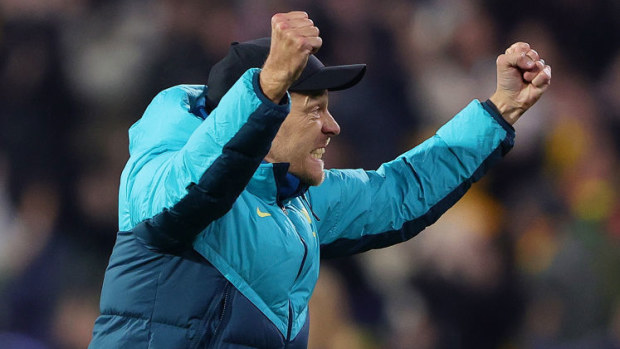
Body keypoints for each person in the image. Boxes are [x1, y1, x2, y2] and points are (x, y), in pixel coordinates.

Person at [89, 11, 551, 349]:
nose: (333, 127)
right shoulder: (151, 175)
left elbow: (397, 191)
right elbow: (190, 191)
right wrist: (267, 85)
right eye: (315, 110)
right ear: (266, 116)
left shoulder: (300, 202)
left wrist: (499, 112)